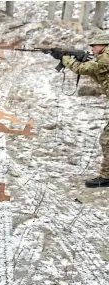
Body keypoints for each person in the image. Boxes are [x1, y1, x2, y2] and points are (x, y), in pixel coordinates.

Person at [56, 36, 109, 188]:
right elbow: (98, 74)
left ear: (103, 44)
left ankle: (106, 176)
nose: (92, 49)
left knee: (106, 140)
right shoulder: (103, 58)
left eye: (94, 46)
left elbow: (82, 69)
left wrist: (65, 59)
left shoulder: (105, 57)